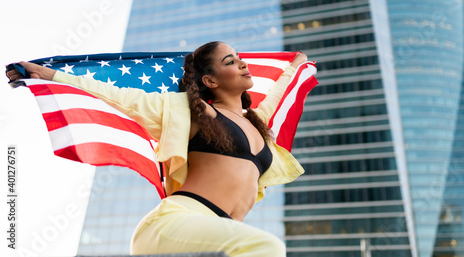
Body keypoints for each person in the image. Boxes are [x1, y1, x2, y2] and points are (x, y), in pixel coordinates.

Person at [5, 41, 307, 256]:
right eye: (229, 61)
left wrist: (296, 65)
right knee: (266, 248)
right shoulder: (189, 110)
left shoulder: (259, 124)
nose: (242, 63)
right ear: (210, 80)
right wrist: (49, 75)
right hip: (174, 225)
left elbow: (278, 94)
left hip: (218, 241)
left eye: (239, 57)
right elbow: (118, 97)